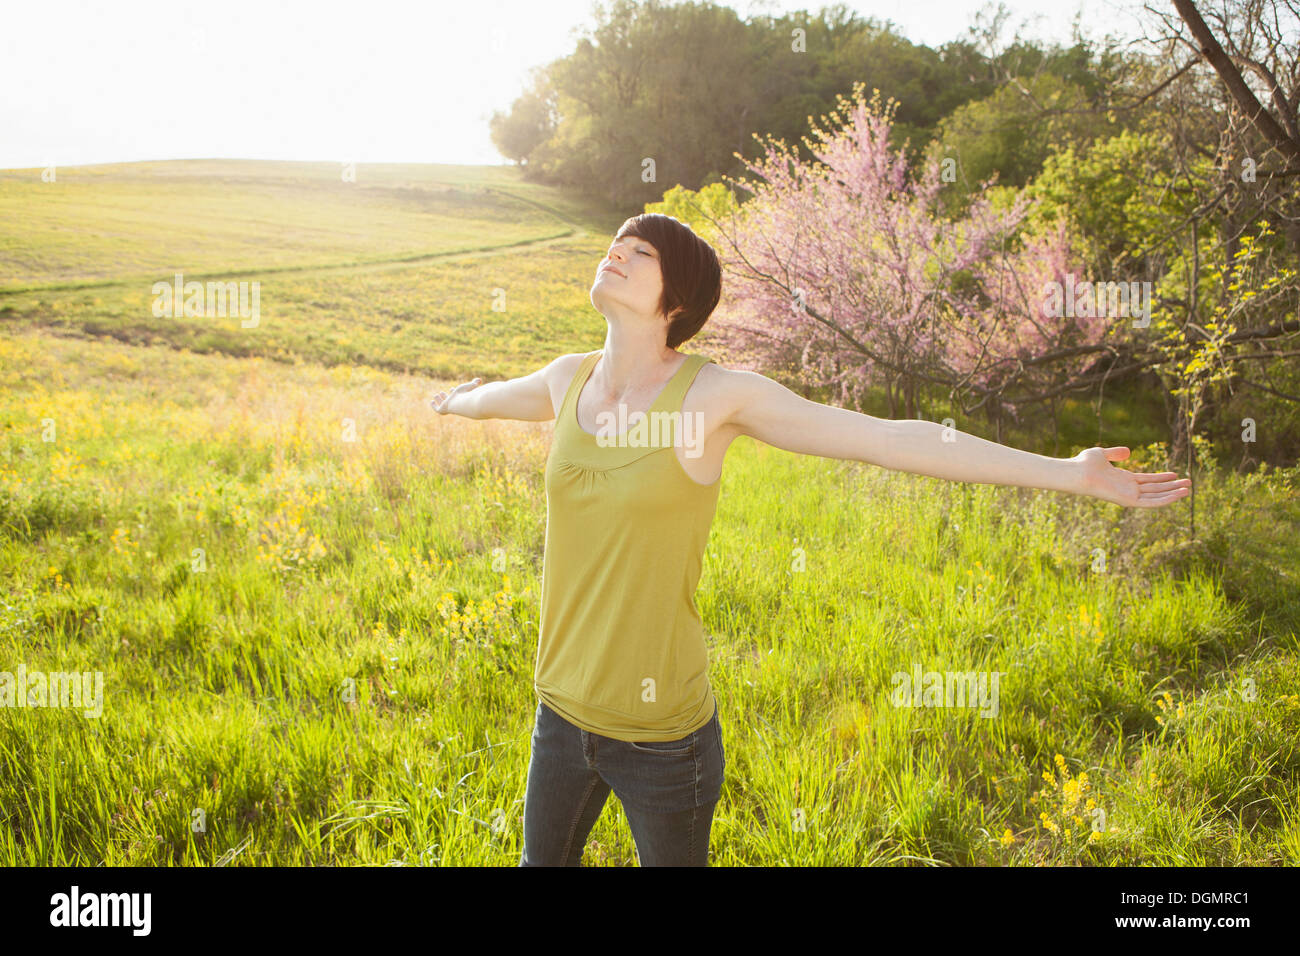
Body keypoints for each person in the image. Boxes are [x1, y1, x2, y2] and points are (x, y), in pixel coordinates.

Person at [429, 213, 1191, 867]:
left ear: (677, 301)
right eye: (619, 240)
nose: (619, 250)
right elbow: (495, 399)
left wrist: (1068, 472)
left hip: (665, 741)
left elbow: (884, 437)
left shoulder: (716, 396)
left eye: (644, 251)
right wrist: (455, 400)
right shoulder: (569, 379)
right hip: (558, 714)